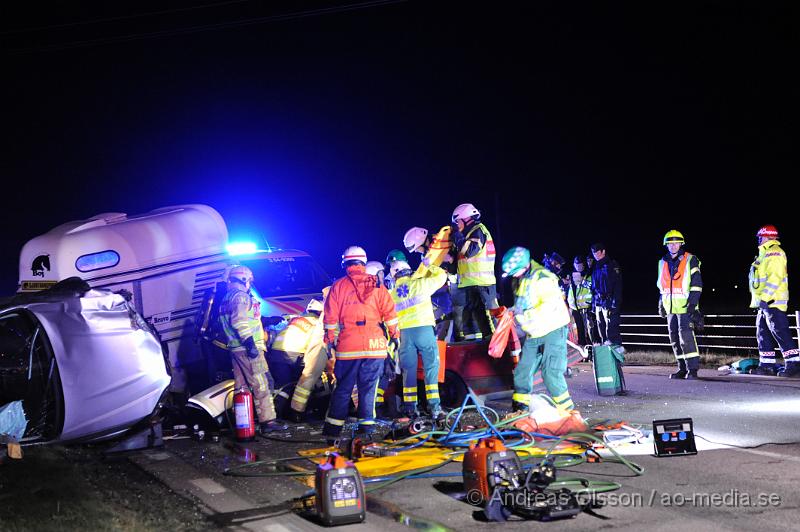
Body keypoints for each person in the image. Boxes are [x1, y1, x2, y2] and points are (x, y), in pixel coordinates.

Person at [322, 246, 400, 440]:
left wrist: (330, 340)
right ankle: (366, 431)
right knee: (369, 389)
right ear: (363, 263)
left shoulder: (338, 286)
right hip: (375, 346)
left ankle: (333, 432)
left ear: (345, 264)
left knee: (344, 389)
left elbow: (330, 318)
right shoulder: (377, 286)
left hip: (349, 347)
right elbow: (390, 314)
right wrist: (395, 336)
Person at [501, 246, 575, 413]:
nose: (513, 275)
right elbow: (524, 302)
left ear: (524, 265)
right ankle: (520, 410)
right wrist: (514, 310)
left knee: (551, 374)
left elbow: (549, 308)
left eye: (514, 271)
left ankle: (568, 412)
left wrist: (523, 313)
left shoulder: (543, 278)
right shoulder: (520, 278)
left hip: (553, 330)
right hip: (534, 332)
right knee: (522, 371)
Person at [217, 265, 287, 433]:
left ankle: (243, 422)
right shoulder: (241, 297)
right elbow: (239, 322)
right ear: (245, 280)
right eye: (249, 281)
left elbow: (247, 318)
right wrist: (250, 344)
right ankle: (268, 422)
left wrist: (267, 320)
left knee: (242, 387)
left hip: (236, 349)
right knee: (261, 383)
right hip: (247, 348)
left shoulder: (228, 298)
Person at [388, 259, 448, 419]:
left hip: (404, 335)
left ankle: (410, 408)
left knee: (408, 371)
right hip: (424, 330)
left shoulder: (392, 294)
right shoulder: (420, 284)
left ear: (394, 276)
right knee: (431, 368)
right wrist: (428, 265)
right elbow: (442, 276)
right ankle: (434, 408)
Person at [748, 225, 798, 377]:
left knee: (780, 332)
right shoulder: (764, 253)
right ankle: (767, 365)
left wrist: (764, 299)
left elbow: (774, 278)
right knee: (762, 333)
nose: (758, 239)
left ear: (766, 237)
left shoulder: (774, 253)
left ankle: (794, 363)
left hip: (773, 301)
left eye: (760, 237)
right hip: (764, 304)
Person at [657, 230, 703, 380]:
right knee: (675, 339)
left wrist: (693, 305)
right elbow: (662, 286)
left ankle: (693, 370)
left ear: (681, 244)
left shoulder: (691, 259)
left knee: (687, 339)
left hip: (685, 308)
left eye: (676, 243)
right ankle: (682, 368)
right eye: (670, 243)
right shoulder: (662, 262)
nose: (673, 246)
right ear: (666, 245)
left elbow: (696, 284)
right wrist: (661, 304)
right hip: (670, 309)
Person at [450, 203, 499, 340]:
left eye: (457, 221)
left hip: (484, 284)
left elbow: (470, 251)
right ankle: (490, 346)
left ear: (466, 219)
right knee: (480, 319)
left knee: (491, 318)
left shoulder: (479, 230)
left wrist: (457, 235)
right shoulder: (468, 234)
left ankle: (503, 349)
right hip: (472, 285)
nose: (456, 225)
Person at [590, 242, 623, 347]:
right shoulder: (595, 267)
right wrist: (594, 304)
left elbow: (618, 285)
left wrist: (615, 303)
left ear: (603, 251)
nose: (595, 255)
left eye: (597, 252)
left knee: (612, 332)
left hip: (609, 302)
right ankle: (606, 360)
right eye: (593, 253)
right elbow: (594, 287)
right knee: (602, 331)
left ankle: (617, 358)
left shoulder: (612, 265)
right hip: (599, 303)